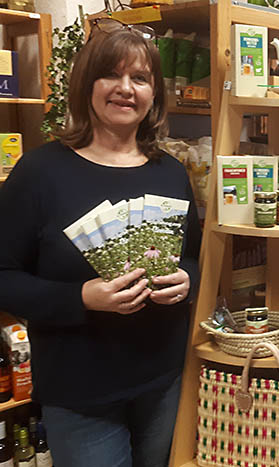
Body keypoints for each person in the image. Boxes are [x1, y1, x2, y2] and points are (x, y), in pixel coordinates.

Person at [0, 18, 201, 467]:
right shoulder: (39, 173)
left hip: (164, 378)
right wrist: (81, 298)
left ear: (154, 95)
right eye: (111, 74)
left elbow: (195, 256)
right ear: (87, 86)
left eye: (141, 78)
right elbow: (3, 277)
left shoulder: (169, 171)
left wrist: (187, 278)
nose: (125, 88)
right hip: (80, 393)